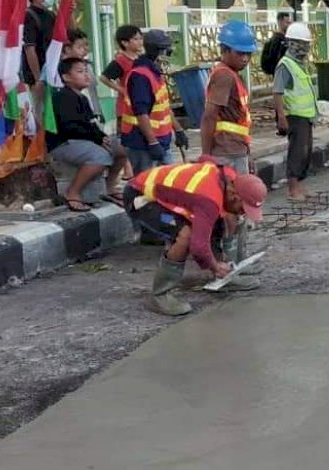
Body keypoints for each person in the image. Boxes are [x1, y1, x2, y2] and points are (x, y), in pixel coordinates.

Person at [124, 160, 266, 315]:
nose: (243, 212)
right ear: (233, 195)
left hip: (169, 195)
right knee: (186, 235)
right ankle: (160, 294)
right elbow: (198, 247)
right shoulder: (208, 200)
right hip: (140, 196)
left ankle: (224, 277)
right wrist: (213, 266)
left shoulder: (229, 177)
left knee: (228, 218)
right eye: (243, 208)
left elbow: (206, 158)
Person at [48, 58, 128, 211]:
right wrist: (97, 139)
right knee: (100, 157)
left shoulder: (82, 98)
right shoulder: (62, 97)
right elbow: (70, 127)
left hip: (83, 140)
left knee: (122, 150)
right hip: (64, 143)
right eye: (79, 72)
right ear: (66, 77)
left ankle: (109, 188)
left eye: (86, 71)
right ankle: (73, 192)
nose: (86, 75)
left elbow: (91, 125)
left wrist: (102, 137)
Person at [121, 30, 189, 172]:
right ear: (160, 51)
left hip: (161, 139)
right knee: (145, 186)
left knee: (167, 182)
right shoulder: (140, 76)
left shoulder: (155, 73)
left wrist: (178, 130)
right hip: (142, 142)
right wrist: (152, 142)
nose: (168, 56)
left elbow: (164, 107)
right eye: (167, 51)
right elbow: (141, 113)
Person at [202, 20, 256, 175]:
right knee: (235, 196)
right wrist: (206, 155)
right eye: (240, 53)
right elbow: (209, 116)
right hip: (227, 150)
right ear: (225, 50)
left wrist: (247, 152)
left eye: (248, 54)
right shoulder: (225, 76)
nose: (245, 58)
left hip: (236, 147)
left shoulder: (232, 74)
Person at [273, 22, 316, 201]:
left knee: (306, 152)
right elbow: (277, 92)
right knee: (297, 152)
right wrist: (281, 118)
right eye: (301, 44)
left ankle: (299, 185)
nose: (304, 48)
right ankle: (292, 189)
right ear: (291, 44)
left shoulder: (299, 64)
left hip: (306, 116)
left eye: (306, 44)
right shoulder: (285, 65)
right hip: (295, 116)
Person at [100, 24, 145, 180]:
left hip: (139, 106)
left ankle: (131, 167)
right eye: (136, 39)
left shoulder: (140, 59)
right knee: (125, 139)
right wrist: (120, 89)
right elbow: (104, 77)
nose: (140, 42)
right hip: (125, 107)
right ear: (125, 43)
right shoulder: (121, 60)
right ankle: (127, 169)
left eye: (140, 38)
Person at [261, 12, 292, 77]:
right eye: (287, 22)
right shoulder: (276, 40)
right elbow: (274, 58)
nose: (289, 25)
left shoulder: (285, 38)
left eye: (289, 22)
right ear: (280, 22)